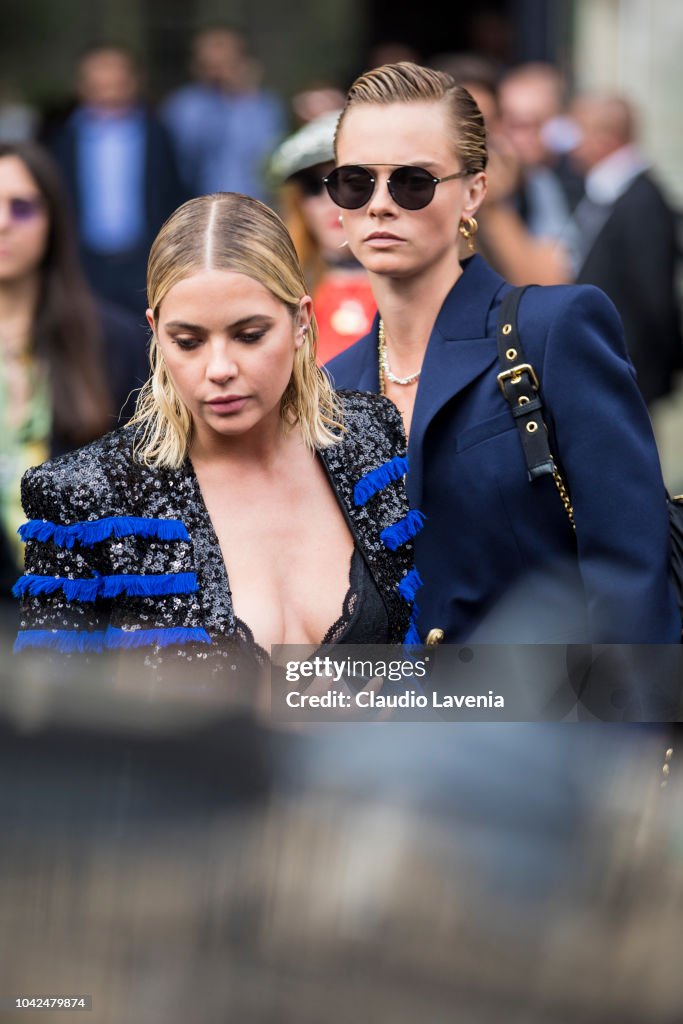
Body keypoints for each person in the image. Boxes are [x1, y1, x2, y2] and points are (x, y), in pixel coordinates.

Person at [323, 61, 679, 644]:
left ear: (475, 191)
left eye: (413, 181)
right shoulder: (333, 386)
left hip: (554, 723)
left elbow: (630, 571)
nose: (380, 204)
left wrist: (622, 733)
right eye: (355, 181)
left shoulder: (553, 331)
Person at [14, 192, 420, 663]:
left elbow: (422, 655)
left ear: (301, 321)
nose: (220, 368)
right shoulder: (85, 497)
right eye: (188, 342)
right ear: (156, 330)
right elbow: (56, 718)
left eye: (249, 335)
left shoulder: (370, 437)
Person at [0, 141, 148, 602]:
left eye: (21, 207)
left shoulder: (118, 342)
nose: (2, 223)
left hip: (86, 622)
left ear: (53, 220)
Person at [49, 44, 185, 314]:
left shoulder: (160, 134)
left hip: (146, 258)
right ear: (82, 86)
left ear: (134, 81)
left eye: (116, 79)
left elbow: (174, 192)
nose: (108, 87)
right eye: (99, 81)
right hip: (82, 262)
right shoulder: (61, 139)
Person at [567, 92, 682, 407]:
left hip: (625, 374)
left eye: (578, 129)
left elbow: (653, 299)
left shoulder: (642, 200)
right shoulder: (608, 191)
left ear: (605, 138)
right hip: (605, 366)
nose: (570, 141)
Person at [268, 111, 376, 364]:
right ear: (298, 204)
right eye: (312, 186)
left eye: (348, 182)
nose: (330, 201)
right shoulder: (278, 294)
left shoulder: (425, 289)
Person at [160, 26, 285, 203]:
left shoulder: (264, 106)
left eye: (227, 62)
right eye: (211, 65)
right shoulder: (184, 106)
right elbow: (183, 160)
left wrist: (246, 97)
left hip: (253, 208)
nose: (219, 72)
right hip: (198, 210)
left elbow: (271, 159)